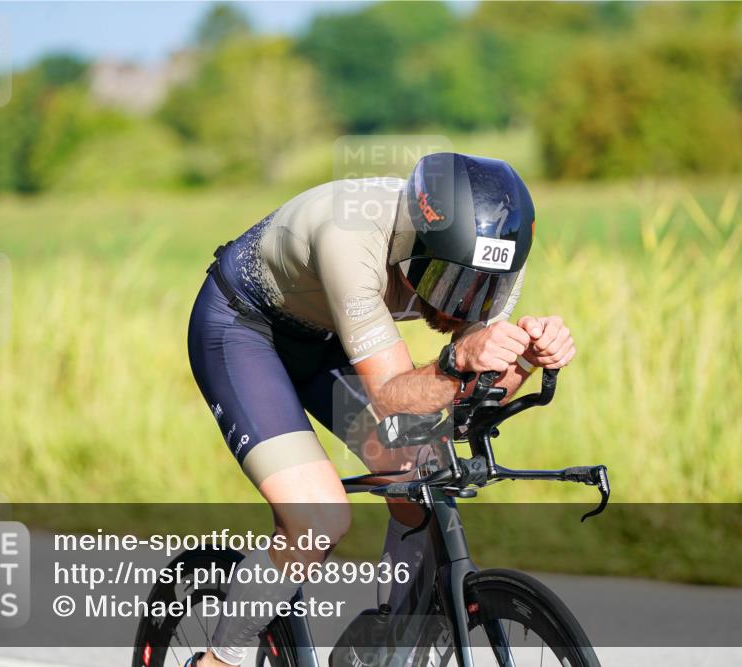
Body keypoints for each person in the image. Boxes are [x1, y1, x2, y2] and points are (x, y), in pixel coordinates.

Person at [187, 152, 576, 665]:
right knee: (317, 519)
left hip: (332, 337)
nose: (463, 305)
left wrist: (522, 360)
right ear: (416, 245)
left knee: (426, 474)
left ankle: (385, 646)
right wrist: (461, 356)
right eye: (449, 282)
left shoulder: (497, 257)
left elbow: (468, 399)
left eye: (479, 289)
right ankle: (220, 659)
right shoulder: (350, 238)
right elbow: (393, 397)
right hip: (244, 332)